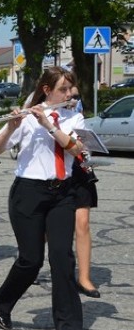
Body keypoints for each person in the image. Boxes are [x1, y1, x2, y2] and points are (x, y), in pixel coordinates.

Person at [0, 66, 86, 330]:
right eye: (63, 90)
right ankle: (5, 301)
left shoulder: (74, 116)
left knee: (62, 257)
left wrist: (50, 125)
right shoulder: (29, 117)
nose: (69, 94)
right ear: (47, 90)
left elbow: (76, 149)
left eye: (70, 89)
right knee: (31, 260)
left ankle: (69, 326)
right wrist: (11, 126)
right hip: (28, 192)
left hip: (62, 193)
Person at [68, 86, 100, 298]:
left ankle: (84, 277)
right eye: (68, 95)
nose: (72, 100)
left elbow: (84, 144)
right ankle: (33, 259)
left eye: (76, 96)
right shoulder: (45, 114)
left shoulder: (77, 118)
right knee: (49, 229)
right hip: (55, 175)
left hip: (79, 174)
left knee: (83, 223)